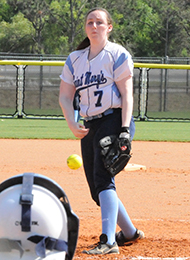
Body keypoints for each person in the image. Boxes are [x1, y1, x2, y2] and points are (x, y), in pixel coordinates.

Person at [59, 7, 144, 255]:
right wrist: (72, 122)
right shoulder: (75, 58)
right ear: (86, 28)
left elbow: (127, 95)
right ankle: (128, 233)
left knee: (103, 178)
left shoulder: (117, 54)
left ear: (109, 27)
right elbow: (65, 96)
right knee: (97, 190)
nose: (94, 26)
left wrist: (125, 129)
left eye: (99, 22)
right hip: (90, 123)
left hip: (114, 119)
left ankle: (108, 240)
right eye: (90, 22)